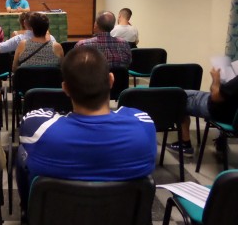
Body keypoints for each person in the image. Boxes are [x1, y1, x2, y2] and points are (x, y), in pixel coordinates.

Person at [17, 46, 157, 213]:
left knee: (21, 152)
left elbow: (35, 117)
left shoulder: (39, 129)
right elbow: (130, 113)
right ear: (111, 80)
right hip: (120, 216)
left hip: (58, 217)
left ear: (65, 88)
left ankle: (27, 211)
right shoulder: (143, 126)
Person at [167, 68, 238, 157]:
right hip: (233, 116)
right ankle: (221, 142)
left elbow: (215, 96)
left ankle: (185, 144)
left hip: (217, 110)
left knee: (178, 97)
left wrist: (216, 79)